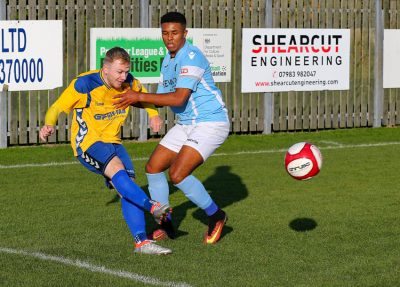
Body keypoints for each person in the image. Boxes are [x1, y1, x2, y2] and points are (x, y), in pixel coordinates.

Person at [39, 47, 173, 255]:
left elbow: (142, 97)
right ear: (106, 69)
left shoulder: (130, 82)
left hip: (114, 142)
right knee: (118, 170)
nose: (123, 76)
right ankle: (153, 207)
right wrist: (49, 124)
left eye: (126, 71)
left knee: (126, 187)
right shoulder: (85, 83)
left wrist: (153, 114)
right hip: (88, 142)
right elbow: (57, 107)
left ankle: (142, 243)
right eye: (119, 72)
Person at [114, 12, 230, 244]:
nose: (169, 37)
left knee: (177, 174)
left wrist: (138, 94)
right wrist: (126, 97)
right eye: (165, 33)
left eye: (175, 33)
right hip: (187, 124)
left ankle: (216, 215)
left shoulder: (191, 56)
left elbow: (177, 99)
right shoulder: (168, 60)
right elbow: (158, 99)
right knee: (154, 167)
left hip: (210, 122)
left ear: (185, 34)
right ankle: (165, 224)